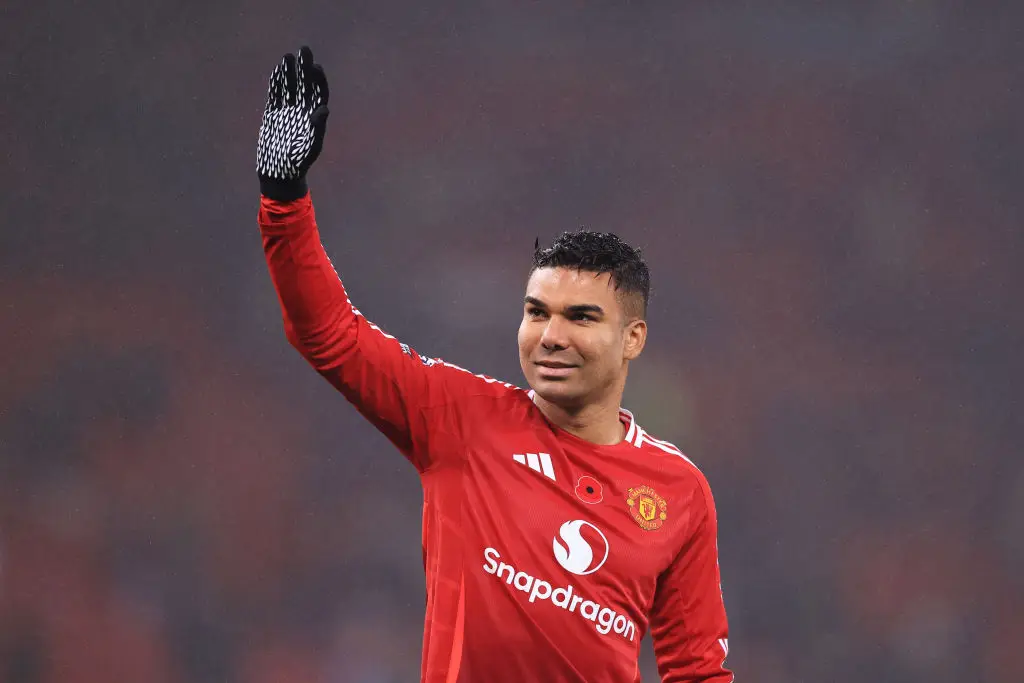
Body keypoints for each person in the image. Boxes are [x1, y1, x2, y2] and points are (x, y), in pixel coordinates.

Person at [256, 46, 733, 683]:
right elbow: (329, 335)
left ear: (633, 339)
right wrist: (284, 199)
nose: (550, 336)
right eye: (537, 312)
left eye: (581, 318)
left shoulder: (679, 493)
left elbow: (697, 671)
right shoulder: (460, 421)